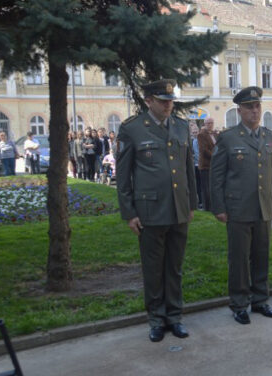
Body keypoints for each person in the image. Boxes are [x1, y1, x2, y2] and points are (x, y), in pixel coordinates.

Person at [116, 79, 197, 342]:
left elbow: (188, 171)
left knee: (174, 267)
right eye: (163, 101)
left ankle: (175, 316)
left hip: (178, 209)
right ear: (148, 101)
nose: (169, 105)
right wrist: (129, 212)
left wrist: (191, 204)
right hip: (150, 210)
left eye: (171, 100)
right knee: (153, 267)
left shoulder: (182, 126)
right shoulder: (133, 129)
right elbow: (124, 174)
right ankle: (156, 318)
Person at [210, 86, 272, 325]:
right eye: (249, 107)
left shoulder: (270, 137)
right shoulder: (228, 138)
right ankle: (240, 303)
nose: (254, 110)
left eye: (257, 106)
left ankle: (260, 300)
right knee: (239, 259)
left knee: (261, 255)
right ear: (239, 110)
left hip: (263, 206)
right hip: (238, 208)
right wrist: (219, 207)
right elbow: (216, 175)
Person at [197, 117, 216, 211]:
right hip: (205, 165)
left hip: (215, 165)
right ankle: (207, 207)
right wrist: (216, 157)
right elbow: (204, 150)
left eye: (211, 123)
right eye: (208, 123)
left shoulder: (216, 134)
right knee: (206, 188)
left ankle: (214, 205)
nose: (210, 125)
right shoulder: (201, 135)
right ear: (205, 124)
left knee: (214, 186)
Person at [190, 121, 202, 209]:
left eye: (196, 132)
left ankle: (201, 202)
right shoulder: (192, 140)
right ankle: (198, 202)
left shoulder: (199, 139)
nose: (195, 133)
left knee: (200, 185)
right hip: (194, 165)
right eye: (193, 132)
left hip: (199, 165)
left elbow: (198, 153)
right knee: (196, 185)